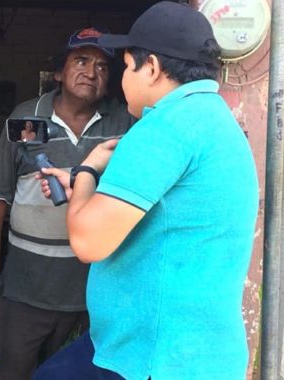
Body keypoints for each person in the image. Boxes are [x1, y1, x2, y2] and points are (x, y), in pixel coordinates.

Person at [33, 3, 259, 379]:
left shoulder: (162, 127)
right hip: (192, 351)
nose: (121, 80)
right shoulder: (211, 119)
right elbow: (165, 210)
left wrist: (88, 169)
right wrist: (85, 187)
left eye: (124, 66)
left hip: (153, 357)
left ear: (151, 67)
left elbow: (88, 241)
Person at [0, 27, 134, 379]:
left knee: (72, 372)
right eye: (81, 61)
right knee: (13, 369)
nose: (92, 72)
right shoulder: (26, 117)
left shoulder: (124, 123)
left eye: (103, 67)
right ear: (58, 72)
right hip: (28, 284)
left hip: (89, 288)